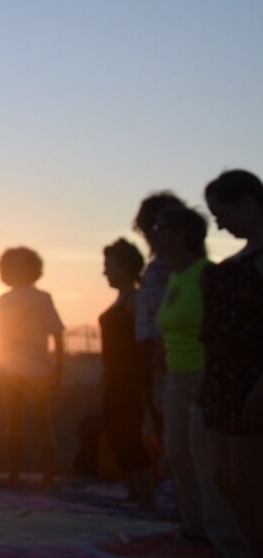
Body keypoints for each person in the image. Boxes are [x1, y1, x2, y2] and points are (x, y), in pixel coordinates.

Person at [152, 206, 247, 554]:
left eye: (160, 227)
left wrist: (210, 378)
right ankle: (194, 530)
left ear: (181, 234)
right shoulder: (174, 277)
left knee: (206, 464)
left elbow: (224, 332)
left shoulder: (208, 275)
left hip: (203, 377)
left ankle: (226, 540)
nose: (154, 234)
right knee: (179, 460)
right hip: (176, 380)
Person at [200, 170, 263, 555]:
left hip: (252, 383)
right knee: (226, 479)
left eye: (222, 213)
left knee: (249, 481)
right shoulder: (236, 262)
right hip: (225, 381)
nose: (219, 224)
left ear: (250, 204)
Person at [0, 246, 64, 487]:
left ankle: (47, 476)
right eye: (13, 265)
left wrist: (58, 368)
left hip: (37, 370)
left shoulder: (42, 298)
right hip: (11, 370)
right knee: (14, 423)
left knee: (42, 422)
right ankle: (15, 473)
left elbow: (57, 334)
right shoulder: (5, 299)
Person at [98, 238, 154, 509]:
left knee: (129, 438)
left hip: (130, 381)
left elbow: (145, 343)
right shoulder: (122, 300)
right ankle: (135, 493)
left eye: (108, 266)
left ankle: (146, 497)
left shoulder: (136, 300)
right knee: (116, 437)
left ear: (124, 266)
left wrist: (144, 383)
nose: (104, 272)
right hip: (114, 380)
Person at [132, 191, 185, 438]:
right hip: (156, 361)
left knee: (174, 433)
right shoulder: (156, 269)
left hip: (168, 361)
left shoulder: (173, 268)